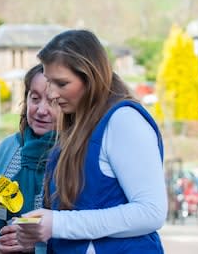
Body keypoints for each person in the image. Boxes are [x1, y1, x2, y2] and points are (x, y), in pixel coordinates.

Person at [17, 30, 168, 253]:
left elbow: (151, 212)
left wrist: (58, 224)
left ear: (90, 78)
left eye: (62, 83)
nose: (53, 94)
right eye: (50, 82)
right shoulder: (78, 123)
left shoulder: (124, 121)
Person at [0, 64, 58, 254]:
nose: (41, 110)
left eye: (53, 102)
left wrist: (35, 247)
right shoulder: (8, 147)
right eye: (35, 98)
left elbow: (81, 225)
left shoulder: (77, 155)